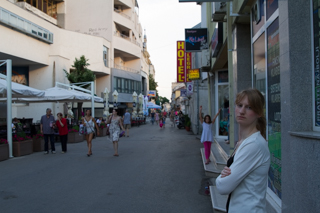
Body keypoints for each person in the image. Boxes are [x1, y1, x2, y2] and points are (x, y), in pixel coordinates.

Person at [215, 88, 270, 212]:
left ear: (259, 113)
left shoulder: (254, 145)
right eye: (239, 105)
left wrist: (220, 177)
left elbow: (223, 187)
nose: (242, 111)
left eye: (249, 107)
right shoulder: (244, 141)